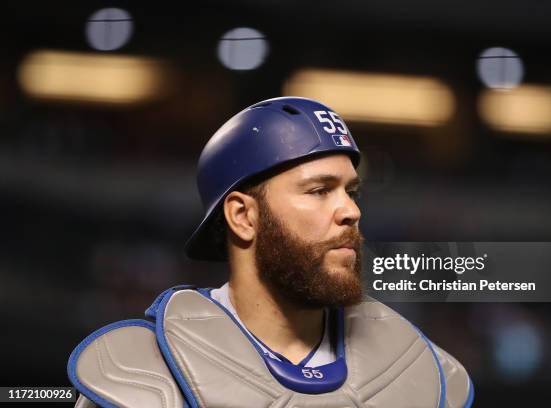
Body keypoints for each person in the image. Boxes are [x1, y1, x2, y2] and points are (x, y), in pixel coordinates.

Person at [68, 97, 474, 408]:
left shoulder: (423, 374)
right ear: (243, 216)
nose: (351, 211)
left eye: (351, 192)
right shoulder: (139, 377)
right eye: (319, 191)